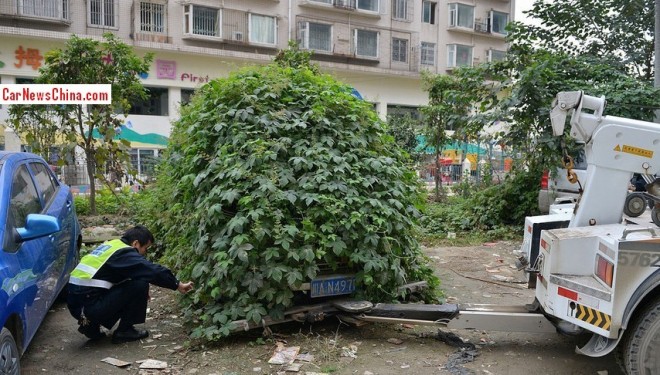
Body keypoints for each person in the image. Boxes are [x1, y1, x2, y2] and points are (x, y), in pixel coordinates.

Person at [67, 225, 194, 343]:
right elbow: (152, 271)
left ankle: (90, 325)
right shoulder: (124, 252)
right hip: (90, 306)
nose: (145, 253)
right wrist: (177, 284)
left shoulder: (111, 246)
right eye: (146, 248)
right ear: (136, 243)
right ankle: (124, 331)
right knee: (140, 284)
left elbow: (108, 276)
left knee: (135, 281)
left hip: (78, 305)